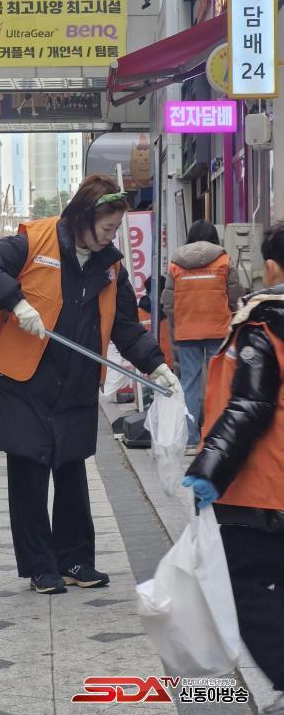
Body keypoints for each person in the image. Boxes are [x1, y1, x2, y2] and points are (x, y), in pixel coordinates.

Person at [0, 174, 177, 595]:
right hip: (23, 380)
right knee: (29, 471)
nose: (111, 236)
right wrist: (16, 302)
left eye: (116, 229)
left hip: (76, 380)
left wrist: (156, 365)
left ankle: (76, 559)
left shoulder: (110, 266)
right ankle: (40, 566)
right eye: (106, 228)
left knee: (71, 468)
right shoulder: (35, 241)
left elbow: (124, 325)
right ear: (84, 217)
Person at [182, 222, 284, 715]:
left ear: (271, 268)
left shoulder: (265, 324)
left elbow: (249, 406)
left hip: (266, 488)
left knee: (240, 583)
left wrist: (209, 469)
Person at [161, 220, 243, 450]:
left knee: (189, 382)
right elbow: (235, 297)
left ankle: (190, 439)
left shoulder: (176, 264)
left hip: (187, 331)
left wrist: (177, 326)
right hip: (219, 329)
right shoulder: (224, 260)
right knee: (220, 382)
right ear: (214, 237)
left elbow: (168, 303)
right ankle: (220, 437)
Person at [138, 276, 173, 369]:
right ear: (148, 293)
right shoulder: (138, 313)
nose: (159, 296)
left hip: (173, 364)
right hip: (150, 366)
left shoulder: (173, 310)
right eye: (157, 293)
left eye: (161, 293)